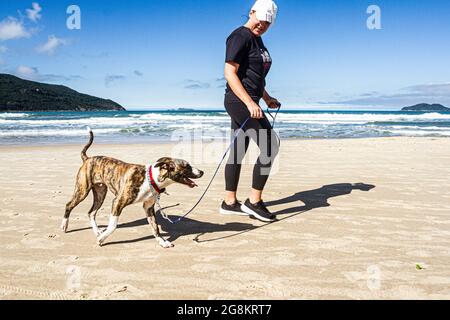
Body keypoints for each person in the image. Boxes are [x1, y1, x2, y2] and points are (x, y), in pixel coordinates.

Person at [220, 0, 280, 222]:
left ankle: (229, 202)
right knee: (271, 146)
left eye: (267, 23)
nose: (262, 25)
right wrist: (250, 103)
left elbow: (254, 76)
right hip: (239, 102)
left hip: (249, 101)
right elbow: (230, 73)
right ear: (251, 12)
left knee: (238, 150)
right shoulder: (240, 36)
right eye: (261, 20)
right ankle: (254, 202)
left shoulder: (257, 39)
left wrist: (266, 97)